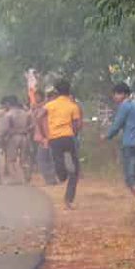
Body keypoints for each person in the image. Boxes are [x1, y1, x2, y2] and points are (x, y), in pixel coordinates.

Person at [44, 79, 83, 208]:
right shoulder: (73, 106)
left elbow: (38, 116)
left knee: (58, 162)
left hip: (54, 138)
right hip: (68, 137)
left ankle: (62, 175)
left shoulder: (50, 105)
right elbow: (78, 124)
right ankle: (68, 199)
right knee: (75, 170)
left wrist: (45, 132)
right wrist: (75, 132)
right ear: (69, 91)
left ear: (56, 91)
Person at [0, 96, 34, 184]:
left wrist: (2, 138)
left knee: (11, 160)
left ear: (8, 104)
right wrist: (26, 130)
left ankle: (15, 179)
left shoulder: (8, 114)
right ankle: (26, 175)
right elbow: (32, 125)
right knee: (24, 159)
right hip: (24, 137)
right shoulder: (25, 113)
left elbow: (4, 129)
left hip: (12, 137)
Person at [31, 88, 57, 185]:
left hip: (48, 136)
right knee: (44, 159)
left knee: (47, 159)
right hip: (44, 137)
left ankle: (51, 179)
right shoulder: (41, 107)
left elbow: (38, 119)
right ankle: (50, 179)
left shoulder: (46, 107)